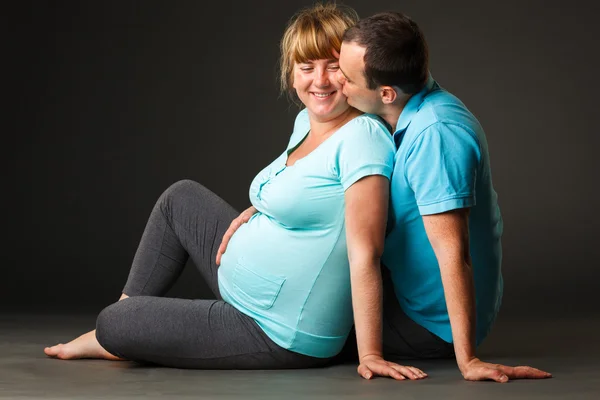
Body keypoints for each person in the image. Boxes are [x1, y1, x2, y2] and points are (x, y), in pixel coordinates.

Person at [43, 3, 423, 379]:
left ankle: (115, 333)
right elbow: (306, 193)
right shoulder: (306, 122)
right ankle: (114, 335)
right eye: (307, 67)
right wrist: (259, 209)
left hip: (275, 328)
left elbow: (365, 251)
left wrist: (369, 352)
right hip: (245, 282)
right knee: (181, 198)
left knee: (115, 322)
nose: (319, 81)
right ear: (291, 76)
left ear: (355, 71)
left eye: (333, 66)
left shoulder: (363, 138)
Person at [333, 11, 552, 382]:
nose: (337, 80)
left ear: (386, 93)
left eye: (346, 76)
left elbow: (455, 254)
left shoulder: (436, 134)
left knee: (299, 330)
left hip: (428, 325)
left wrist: (468, 361)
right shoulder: (402, 109)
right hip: (405, 289)